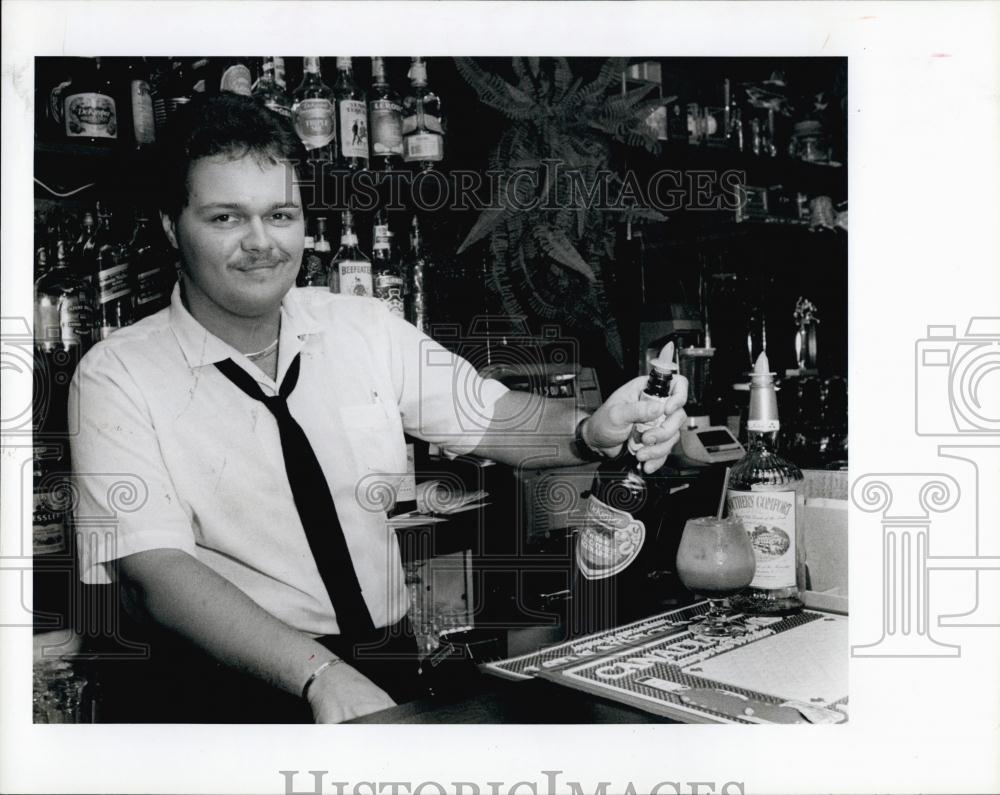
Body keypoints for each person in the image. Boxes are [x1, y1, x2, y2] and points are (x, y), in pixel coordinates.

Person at [69, 93, 687, 724]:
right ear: (172, 227)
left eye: (280, 214)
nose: (261, 243)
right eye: (226, 218)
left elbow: (492, 416)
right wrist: (319, 674)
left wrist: (592, 429)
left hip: (384, 661)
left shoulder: (362, 326)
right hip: (232, 687)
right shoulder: (118, 373)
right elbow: (156, 573)